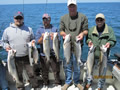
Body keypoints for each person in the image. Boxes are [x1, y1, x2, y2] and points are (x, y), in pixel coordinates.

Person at [2, 11, 39, 90]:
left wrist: (33, 41)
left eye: (20, 18)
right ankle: (20, 87)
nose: (18, 19)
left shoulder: (29, 29)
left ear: (23, 19)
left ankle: (35, 86)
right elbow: (3, 42)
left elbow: (33, 38)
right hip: (15, 57)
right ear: (14, 18)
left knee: (32, 73)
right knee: (18, 74)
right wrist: (6, 46)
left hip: (27, 56)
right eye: (17, 18)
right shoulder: (7, 30)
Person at [60, 0, 88, 90]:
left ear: (76, 6)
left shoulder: (83, 17)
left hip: (78, 45)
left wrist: (82, 34)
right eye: (70, 6)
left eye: (73, 6)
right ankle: (68, 82)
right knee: (67, 64)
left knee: (77, 65)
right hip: (67, 45)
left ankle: (76, 82)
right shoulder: (63, 18)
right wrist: (63, 34)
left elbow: (86, 30)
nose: (72, 8)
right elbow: (61, 30)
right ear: (68, 7)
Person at [85, 13, 116, 90]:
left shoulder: (109, 29)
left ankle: (100, 86)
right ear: (95, 21)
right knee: (89, 69)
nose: (99, 21)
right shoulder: (91, 29)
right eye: (97, 20)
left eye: (101, 20)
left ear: (104, 20)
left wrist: (109, 43)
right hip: (93, 54)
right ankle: (89, 81)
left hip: (104, 55)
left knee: (102, 71)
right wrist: (89, 42)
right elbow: (88, 38)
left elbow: (113, 40)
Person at [35, 13, 61, 90]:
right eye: (44, 19)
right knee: (44, 70)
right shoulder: (39, 29)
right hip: (44, 54)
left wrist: (54, 38)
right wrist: (42, 38)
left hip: (53, 53)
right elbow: (37, 42)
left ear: (50, 20)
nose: (45, 21)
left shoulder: (55, 28)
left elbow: (59, 40)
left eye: (47, 19)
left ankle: (57, 83)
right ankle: (45, 83)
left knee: (56, 70)